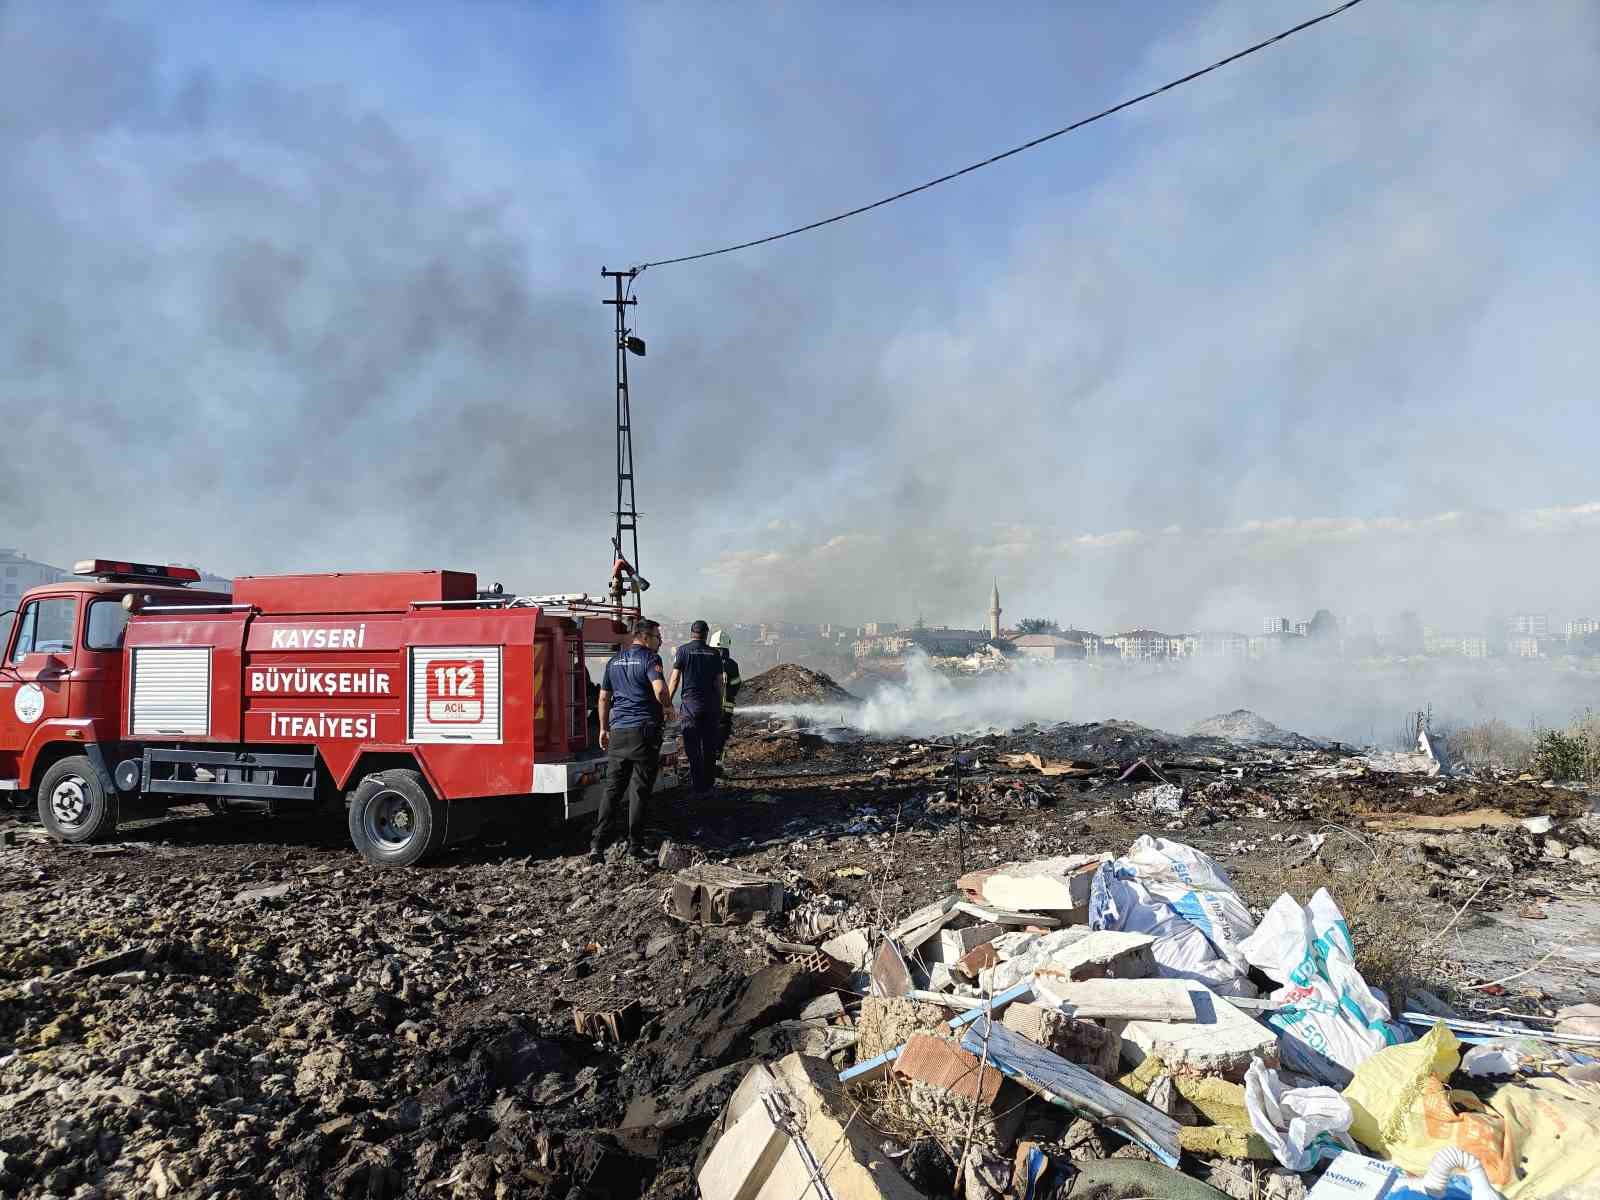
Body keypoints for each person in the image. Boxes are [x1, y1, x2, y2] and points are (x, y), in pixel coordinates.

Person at [591, 617, 674, 864]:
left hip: (618, 732)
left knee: (612, 790)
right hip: (644, 732)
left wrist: (604, 729)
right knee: (639, 791)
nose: (660, 642)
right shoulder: (650, 659)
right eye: (658, 637)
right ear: (645, 637)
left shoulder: (614, 662)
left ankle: (597, 845)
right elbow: (660, 689)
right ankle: (634, 846)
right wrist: (669, 708)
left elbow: (604, 698)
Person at [667, 619, 725, 800]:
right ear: (706, 634)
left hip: (691, 706)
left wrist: (666, 704)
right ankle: (708, 786)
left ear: (691, 633)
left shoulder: (683, 651)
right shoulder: (714, 653)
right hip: (711, 706)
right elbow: (719, 683)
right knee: (709, 748)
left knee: (693, 749)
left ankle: (698, 787)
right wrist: (721, 706)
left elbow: (675, 679)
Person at [708, 629, 741, 775]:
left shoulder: (707, 662)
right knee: (720, 740)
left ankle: (705, 767)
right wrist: (729, 698)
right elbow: (736, 685)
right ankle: (717, 767)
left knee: (707, 738)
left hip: (707, 709)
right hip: (726, 711)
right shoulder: (732, 665)